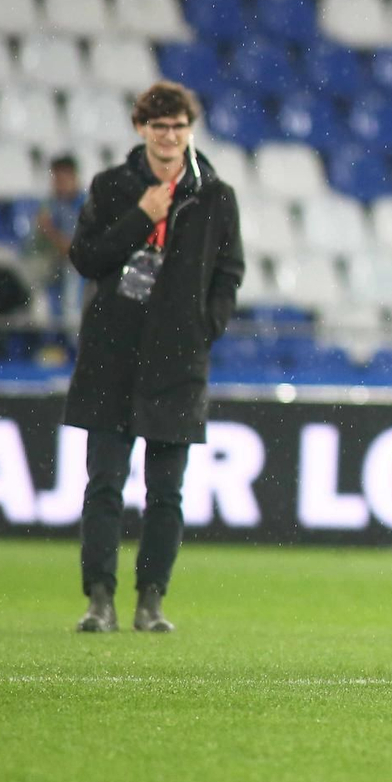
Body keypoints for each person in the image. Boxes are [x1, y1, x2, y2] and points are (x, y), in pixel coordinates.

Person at [65, 82, 245, 635]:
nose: (169, 137)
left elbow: (229, 273)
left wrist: (201, 331)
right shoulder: (113, 187)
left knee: (166, 492)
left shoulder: (214, 195)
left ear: (190, 129)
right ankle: (100, 599)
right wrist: (141, 216)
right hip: (112, 356)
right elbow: (86, 259)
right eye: (159, 126)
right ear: (140, 129)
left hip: (176, 362)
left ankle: (150, 602)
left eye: (178, 126)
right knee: (104, 486)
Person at [23, 155, 84, 319]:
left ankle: (71, 327)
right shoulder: (52, 204)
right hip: (52, 264)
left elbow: (73, 250)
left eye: (63, 179)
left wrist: (49, 230)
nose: (59, 184)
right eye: (56, 179)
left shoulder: (85, 206)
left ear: (74, 177)